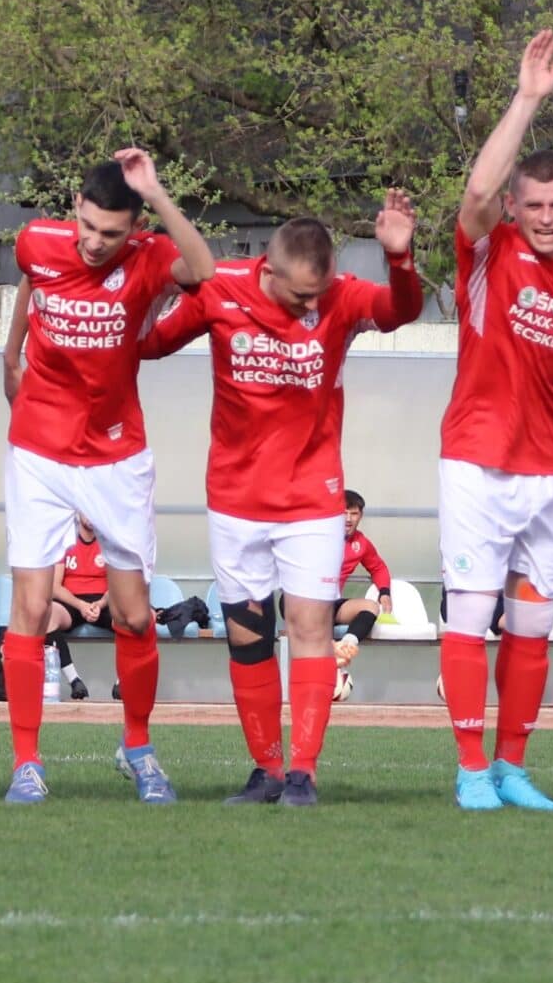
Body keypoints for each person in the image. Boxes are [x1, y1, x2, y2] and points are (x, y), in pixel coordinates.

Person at [140, 197, 424, 806]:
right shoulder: (219, 288)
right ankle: (266, 769)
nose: (310, 306)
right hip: (235, 498)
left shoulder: (341, 298)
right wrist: (153, 287)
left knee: (310, 627)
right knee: (247, 634)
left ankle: (303, 772)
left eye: (317, 294)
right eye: (299, 296)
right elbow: (152, 344)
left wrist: (399, 258)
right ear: (267, 270)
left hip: (311, 499)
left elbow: (401, 310)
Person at [436, 29, 553, 813]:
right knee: (470, 613)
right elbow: (476, 191)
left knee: (534, 623)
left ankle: (512, 765)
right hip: (477, 459)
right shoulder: (489, 247)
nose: (546, 218)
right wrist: (525, 99)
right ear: (516, 207)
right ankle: (469, 768)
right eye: (533, 205)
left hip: (546, 465)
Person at [0, 151, 215, 805]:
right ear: (75, 208)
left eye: (110, 233)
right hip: (38, 447)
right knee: (30, 606)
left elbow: (203, 270)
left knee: (134, 614)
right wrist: (11, 357)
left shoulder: (150, 259)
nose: (94, 242)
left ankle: (138, 745)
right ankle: (26, 762)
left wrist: (158, 193)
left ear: (135, 228)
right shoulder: (37, 240)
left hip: (116, 456)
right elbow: (30, 287)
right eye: (87, 225)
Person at [44, 517, 108, 701]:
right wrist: (81, 605)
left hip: (103, 601)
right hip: (72, 602)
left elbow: (118, 584)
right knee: (46, 615)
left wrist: (100, 604)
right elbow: (55, 587)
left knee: (130, 615)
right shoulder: (65, 541)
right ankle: (74, 680)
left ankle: (123, 682)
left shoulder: (110, 543)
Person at [333, 490, 391, 668]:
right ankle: (329, 653)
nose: (348, 519)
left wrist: (384, 592)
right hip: (304, 604)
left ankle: (346, 646)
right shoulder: (318, 537)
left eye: (354, 514)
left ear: (361, 516)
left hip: (330, 605)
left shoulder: (361, 543)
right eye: (343, 513)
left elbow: (378, 567)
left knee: (371, 607)